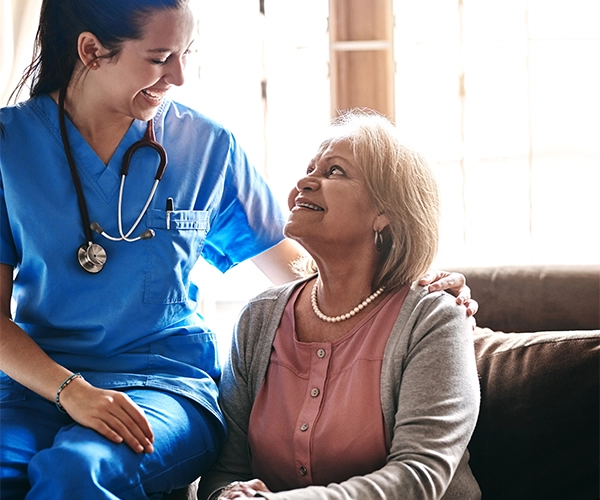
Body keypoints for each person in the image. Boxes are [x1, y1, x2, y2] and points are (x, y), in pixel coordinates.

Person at [0, 1, 476, 498]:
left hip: (162, 384)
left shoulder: (204, 147)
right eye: (161, 56)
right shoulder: (10, 144)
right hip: (34, 382)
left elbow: (305, 267)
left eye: (186, 53)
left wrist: (405, 284)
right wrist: (69, 390)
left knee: (79, 469)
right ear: (92, 51)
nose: (179, 76)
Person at [197, 109, 482, 500]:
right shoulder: (259, 318)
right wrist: (230, 495)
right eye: (310, 167)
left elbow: (419, 476)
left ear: (385, 213)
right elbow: (225, 470)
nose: (304, 181)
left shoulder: (433, 318)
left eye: (334, 172)